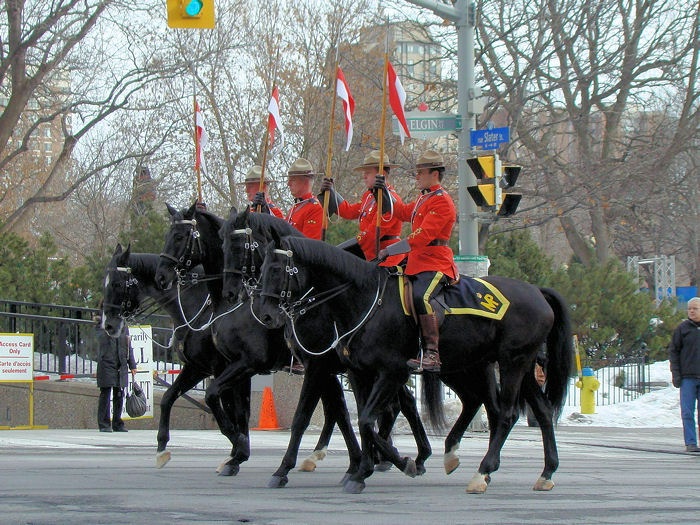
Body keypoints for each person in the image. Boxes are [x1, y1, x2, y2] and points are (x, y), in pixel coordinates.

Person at [378, 150, 457, 372]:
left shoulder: (442, 201)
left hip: (435, 262)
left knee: (421, 296)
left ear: (434, 174)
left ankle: (432, 352)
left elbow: (422, 236)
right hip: (416, 261)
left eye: (420, 172)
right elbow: (401, 212)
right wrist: (383, 192)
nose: (417, 176)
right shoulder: (424, 198)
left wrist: (391, 249)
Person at [318, 150, 404, 263]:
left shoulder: (391, 201)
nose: (364, 176)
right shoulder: (368, 197)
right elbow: (349, 211)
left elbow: (371, 235)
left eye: (368, 172)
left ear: (381, 174)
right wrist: (331, 192)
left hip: (387, 258)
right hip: (369, 254)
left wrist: (340, 251)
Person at [95, 315, 137, 432]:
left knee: (119, 394)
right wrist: (106, 327)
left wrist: (132, 364)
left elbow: (129, 346)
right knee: (105, 394)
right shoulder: (102, 324)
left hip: (121, 363)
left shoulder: (123, 324)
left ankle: (117, 423)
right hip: (107, 363)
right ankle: (104, 424)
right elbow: (100, 340)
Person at [669, 297, 700, 453]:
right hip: (688, 378)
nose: (692, 311)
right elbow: (673, 352)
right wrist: (676, 374)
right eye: (689, 309)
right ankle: (691, 443)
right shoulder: (683, 329)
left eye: (695, 308)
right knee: (687, 412)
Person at [285, 157, 323, 240]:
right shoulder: (294, 208)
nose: (288, 184)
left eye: (293, 180)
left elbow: (309, 245)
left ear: (305, 181)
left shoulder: (314, 208)